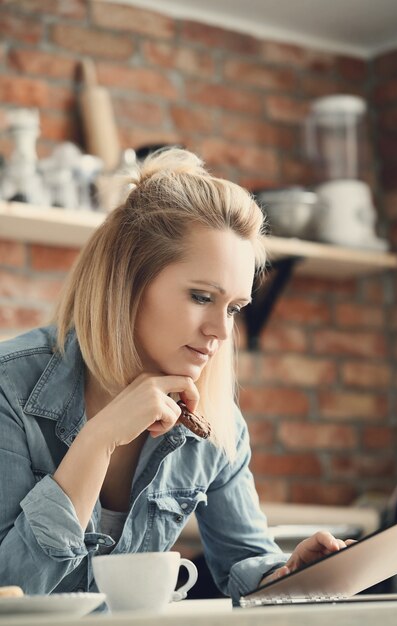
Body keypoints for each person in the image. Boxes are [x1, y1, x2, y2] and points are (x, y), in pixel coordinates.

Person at [0, 148, 350, 606]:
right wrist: (98, 441)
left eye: (234, 308)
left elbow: (245, 560)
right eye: (202, 296)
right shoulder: (10, 386)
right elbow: (10, 585)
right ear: (127, 281)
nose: (222, 331)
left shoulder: (216, 420)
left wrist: (287, 573)